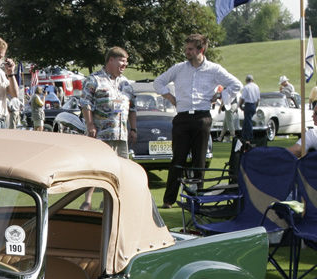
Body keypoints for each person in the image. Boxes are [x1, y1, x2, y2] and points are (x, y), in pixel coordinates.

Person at [153, 33, 241, 208]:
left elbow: (237, 85)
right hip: (182, 117)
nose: (187, 52)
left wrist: (220, 95)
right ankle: (169, 200)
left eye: (190, 49)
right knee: (177, 159)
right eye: (186, 49)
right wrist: (171, 98)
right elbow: (158, 82)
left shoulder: (214, 69)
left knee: (199, 160)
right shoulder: (179, 68)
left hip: (202, 117)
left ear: (201, 49)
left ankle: (196, 199)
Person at [81, 46, 138, 158]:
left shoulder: (125, 83)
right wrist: (90, 125)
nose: (125, 64)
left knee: (121, 168)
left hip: (121, 136)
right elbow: (85, 103)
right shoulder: (94, 79)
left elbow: (132, 107)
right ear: (111, 60)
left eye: (126, 61)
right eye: (122, 61)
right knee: (103, 168)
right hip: (101, 136)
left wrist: (133, 129)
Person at [240, 74, 260, 142]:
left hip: (248, 105)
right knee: (246, 121)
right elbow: (258, 99)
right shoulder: (256, 87)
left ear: (246, 80)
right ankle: (243, 135)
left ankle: (249, 136)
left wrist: (240, 105)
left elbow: (242, 98)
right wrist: (256, 106)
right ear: (252, 80)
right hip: (253, 105)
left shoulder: (246, 87)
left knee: (248, 121)